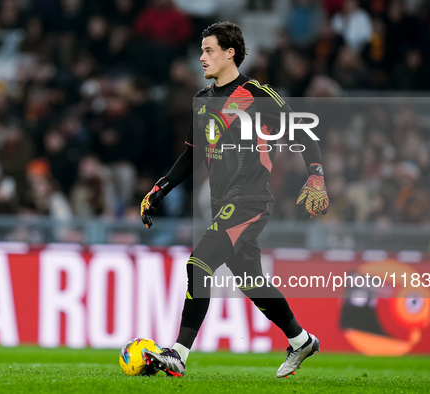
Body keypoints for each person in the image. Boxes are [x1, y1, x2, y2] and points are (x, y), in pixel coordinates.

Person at [139, 22, 329, 377]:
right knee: (250, 279)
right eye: (201, 50)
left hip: (250, 199)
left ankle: (178, 353)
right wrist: (160, 188)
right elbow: (193, 155)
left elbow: (302, 129)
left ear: (230, 53)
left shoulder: (255, 94)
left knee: (199, 263)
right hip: (221, 202)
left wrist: (316, 174)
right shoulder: (203, 101)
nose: (201, 57)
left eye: (208, 50)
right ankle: (302, 340)